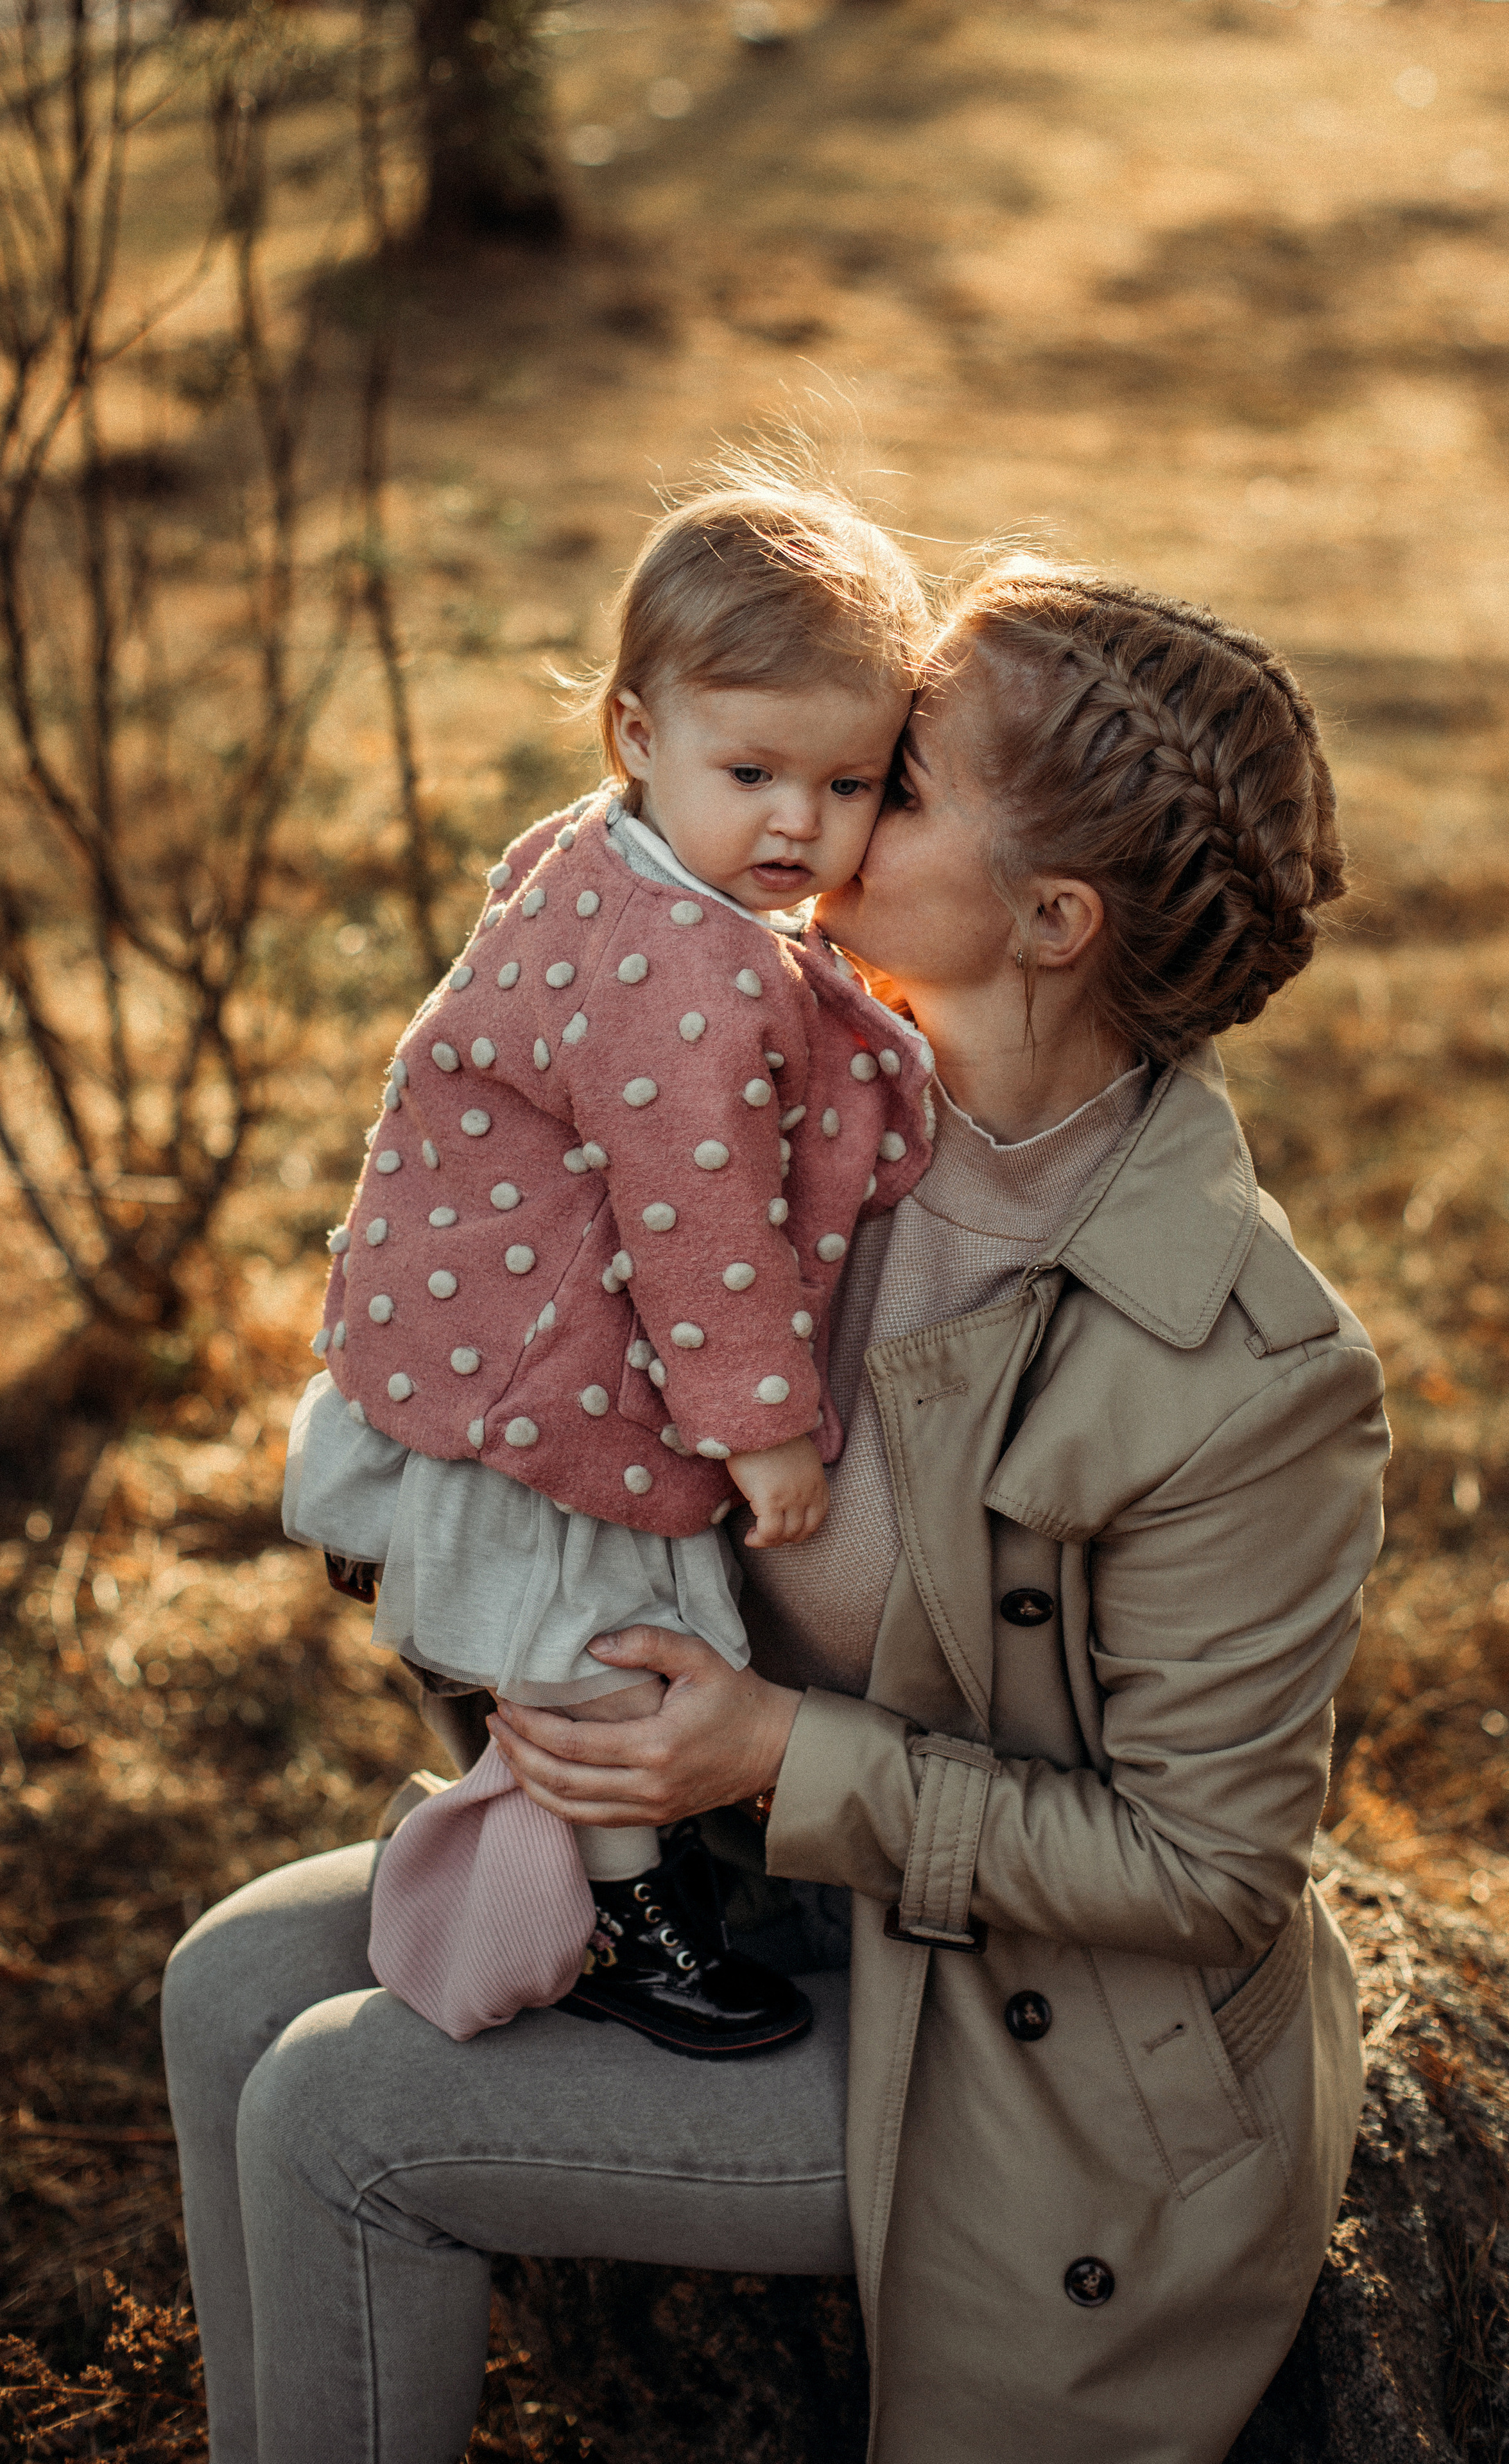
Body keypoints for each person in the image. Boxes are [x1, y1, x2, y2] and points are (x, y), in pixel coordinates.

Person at [163, 558, 1390, 2464]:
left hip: (1029, 2051)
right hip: (776, 1905)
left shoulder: (1244, 1368)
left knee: (348, 2122)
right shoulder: (803, 1087)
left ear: (1053, 920)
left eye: (896, 777)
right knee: (230, 1981)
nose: (817, 803)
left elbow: (1204, 1871)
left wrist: (764, 1755)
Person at [282, 479, 936, 2055]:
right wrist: (761, 1426)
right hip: (561, 1374)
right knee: (620, 1660)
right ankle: (639, 1925)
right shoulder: (692, 978)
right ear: (634, 731)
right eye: (754, 771)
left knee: (552, 1651)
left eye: (850, 783)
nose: (800, 823)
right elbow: (695, 1226)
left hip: (461, 1323)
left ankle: (522, 1815)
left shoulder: (608, 852)